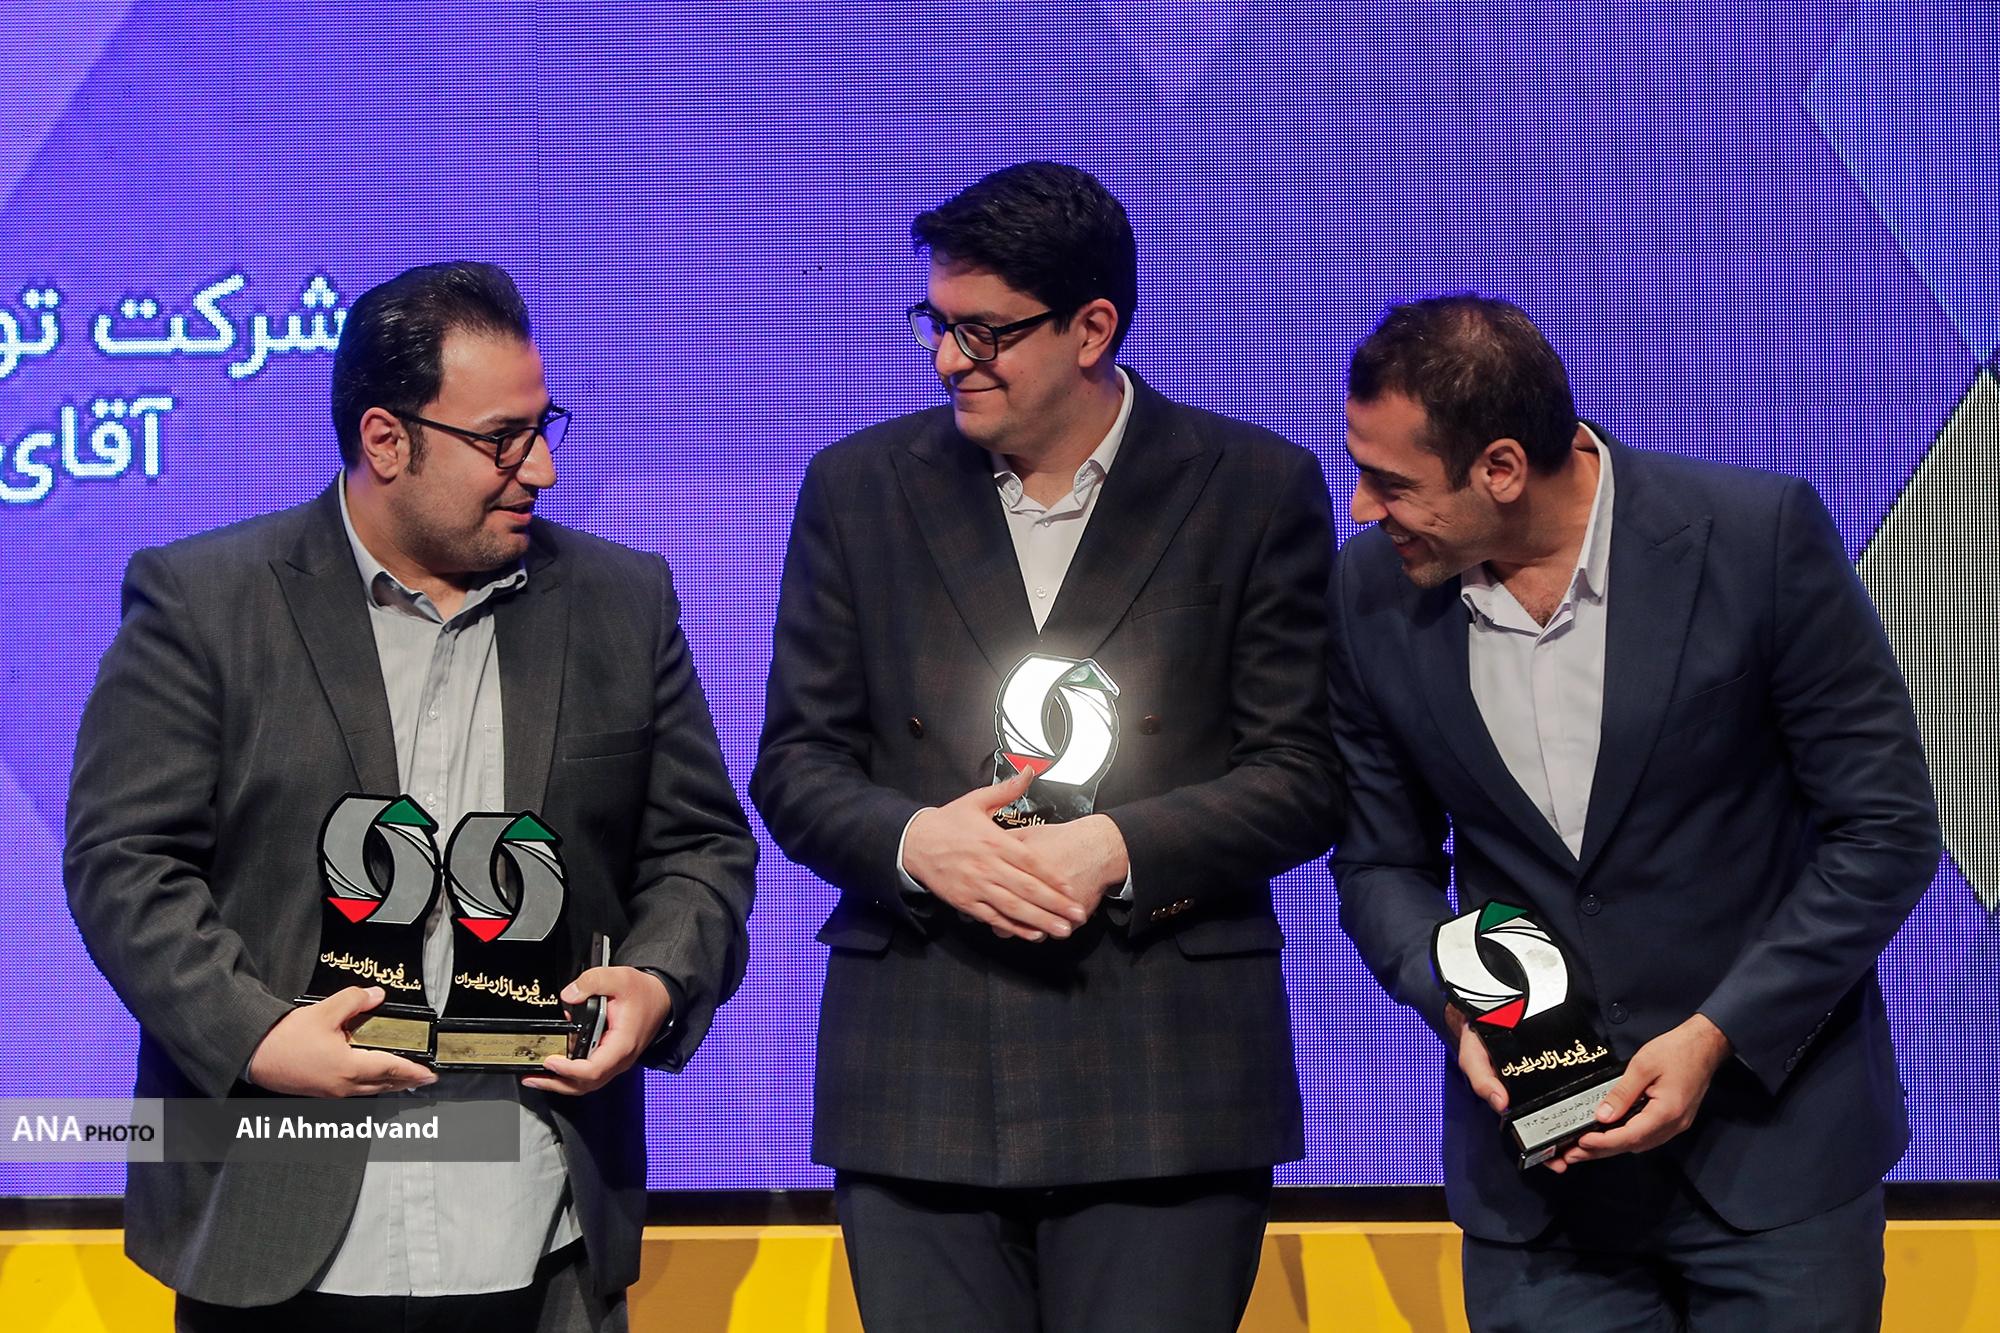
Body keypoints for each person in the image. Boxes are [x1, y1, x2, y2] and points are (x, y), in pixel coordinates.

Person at [64, 260, 757, 1332]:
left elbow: (701, 850)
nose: (542, 470)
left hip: (540, 1229)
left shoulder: (621, 604)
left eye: (543, 427)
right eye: (502, 440)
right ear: (386, 440)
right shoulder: (205, 602)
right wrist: (256, 1035)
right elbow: (123, 863)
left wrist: (657, 981)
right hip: (278, 1226)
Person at [750, 160, 1338, 1331]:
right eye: (935, 323)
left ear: (1091, 328)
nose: (945, 359)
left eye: (983, 332)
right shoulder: (858, 488)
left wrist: (1115, 848)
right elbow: (796, 763)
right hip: (921, 1061)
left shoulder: (1253, 487)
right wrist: (916, 842)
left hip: (1165, 1064)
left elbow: (1306, 772)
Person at [1328, 293, 1941, 1331]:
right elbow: (1380, 862)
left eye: (1391, 483)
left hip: (1774, 1167)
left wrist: (1715, 1034)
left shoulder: (1753, 539)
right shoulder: (1368, 592)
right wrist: (1457, 1008)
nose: (1359, 508)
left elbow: (1883, 829)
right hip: (1540, 1192)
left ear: (1501, 469)